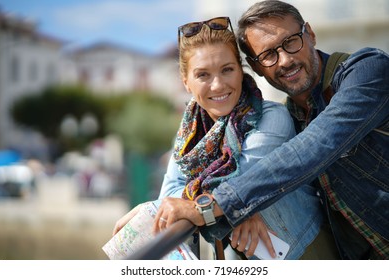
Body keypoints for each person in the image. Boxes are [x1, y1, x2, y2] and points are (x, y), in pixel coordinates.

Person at [113, 16, 333, 259]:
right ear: (186, 82)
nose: (217, 85)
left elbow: (237, 188)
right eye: (203, 75)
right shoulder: (190, 134)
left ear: (240, 71)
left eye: (227, 69)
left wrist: (153, 209)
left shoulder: (272, 118)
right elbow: (172, 191)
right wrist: (231, 211)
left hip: (302, 253)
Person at [208, 0, 388, 259]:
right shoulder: (285, 116)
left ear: (311, 34)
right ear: (256, 67)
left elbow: (316, 144)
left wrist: (226, 203)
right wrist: (246, 210)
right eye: (268, 55)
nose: (285, 60)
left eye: (291, 41)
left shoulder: (367, 70)